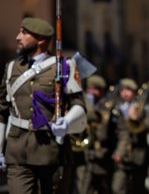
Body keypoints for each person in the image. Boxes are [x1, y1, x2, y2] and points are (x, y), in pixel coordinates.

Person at [0, 17, 87, 193]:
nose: (18, 37)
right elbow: (1, 111)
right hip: (17, 153)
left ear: (40, 40)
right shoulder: (11, 68)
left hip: (52, 152)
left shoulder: (64, 67)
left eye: (24, 33)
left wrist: (67, 123)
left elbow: (79, 105)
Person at [112, 78, 149, 194]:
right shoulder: (116, 107)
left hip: (139, 155)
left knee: (138, 188)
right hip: (123, 155)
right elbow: (120, 132)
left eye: (128, 90)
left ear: (134, 92)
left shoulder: (143, 106)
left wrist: (137, 118)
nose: (125, 93)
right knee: (117, 188)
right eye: (122, 90)